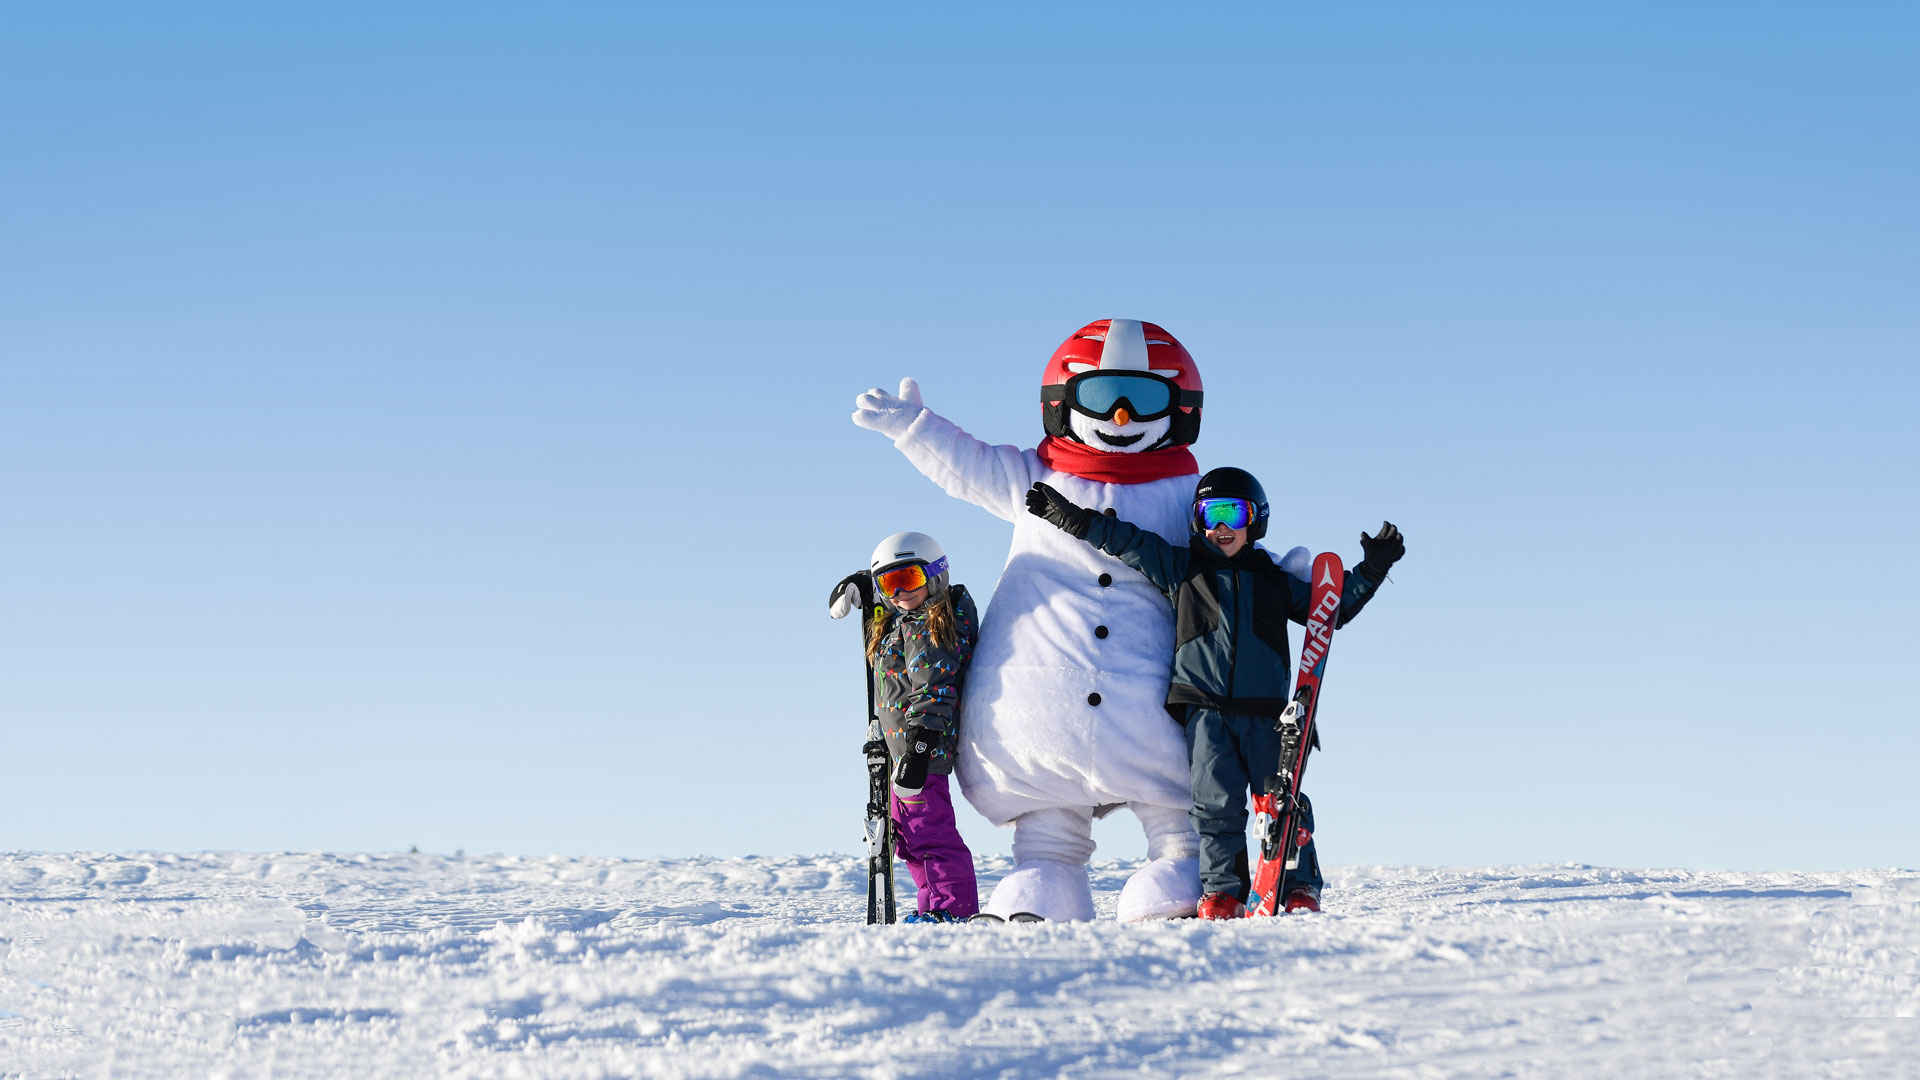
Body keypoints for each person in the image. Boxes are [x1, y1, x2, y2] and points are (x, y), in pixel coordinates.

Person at [1024, 467, 1405, 919]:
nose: (1221, 527)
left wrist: (1374, 567)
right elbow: (1126, 540)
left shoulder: (1273, 579)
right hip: (1203, 710)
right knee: (1215, 806)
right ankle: (1224, 889)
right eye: (1210, 515)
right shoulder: (1182, 567)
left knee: (1281, 798)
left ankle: (1299, 884)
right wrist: (1073, 518)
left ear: (1255, 519)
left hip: (1267, 714)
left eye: (1232, 514)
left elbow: (1330, 612)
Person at [842, 531, 982, 923]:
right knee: (907, 840)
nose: (902, 592)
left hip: (923, 754)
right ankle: (933, 909)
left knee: (929, 835)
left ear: (936, 576)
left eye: (911, 579)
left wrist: (918, 750)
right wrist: (863, 585)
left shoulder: (928, 628)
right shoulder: (906, 621)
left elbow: (935, 691)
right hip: (902, 752)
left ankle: (951, 911)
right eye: (891, 582)